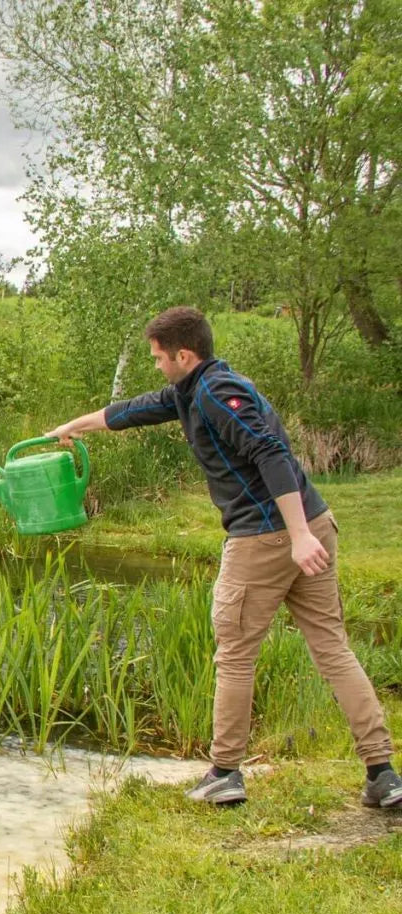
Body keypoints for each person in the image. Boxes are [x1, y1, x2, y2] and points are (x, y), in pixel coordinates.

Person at [45, 306, 400, 809]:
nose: (156, 365)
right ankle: (382, 775)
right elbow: (130, 410)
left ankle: (226, 772)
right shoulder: (198, 388)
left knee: (234, 655)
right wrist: (73, 426)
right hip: (313, 524)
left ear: (183, 354)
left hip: (269, 538)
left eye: (158, 358)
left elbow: (271, 453)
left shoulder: (216, 395)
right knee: (333, 649)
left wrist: (297, 536)